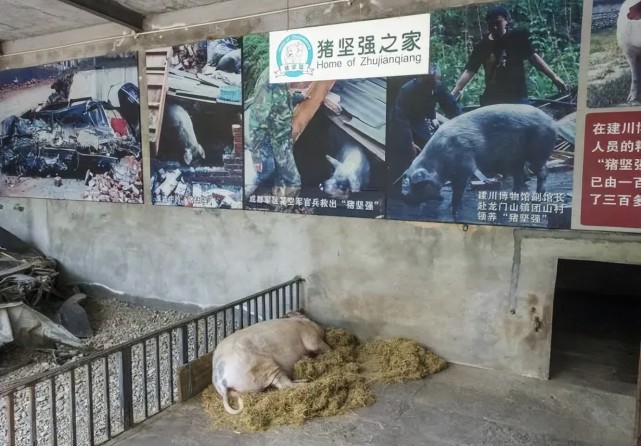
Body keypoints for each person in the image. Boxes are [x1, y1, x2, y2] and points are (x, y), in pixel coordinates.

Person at [451, 4, 567, 106]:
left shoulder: (517, 37)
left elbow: (534, 59)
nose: (495, 27)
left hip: (517, 97)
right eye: (491, 24)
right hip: (493, 99)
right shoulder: (482, 46)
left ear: (506, 20)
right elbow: (470, 71)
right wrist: (454, 93)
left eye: (498, 23)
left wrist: (554, 77)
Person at [387, 63, 461, 191]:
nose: (438, 81)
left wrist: (461, 123)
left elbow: (450, 106)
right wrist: (409, 142)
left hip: (418, 120)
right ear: (426, 79)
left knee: (429, 147)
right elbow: (401, 118)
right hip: (399, 121)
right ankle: (395, 191)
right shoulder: (407, 89)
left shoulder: (437, 87)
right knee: (404, 153)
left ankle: (424, 185)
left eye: (438, 78)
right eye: (436, 79)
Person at [247, 67, 307, 200]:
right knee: (293, 181)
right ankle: (285, 212)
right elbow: (257, 119)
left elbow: (282, 97)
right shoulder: (268, 79)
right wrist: (256, 155)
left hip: (283, 139)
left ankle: (278, 203)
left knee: (280, 178)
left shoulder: (282, 73)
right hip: (275, 140)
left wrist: (299, 97)